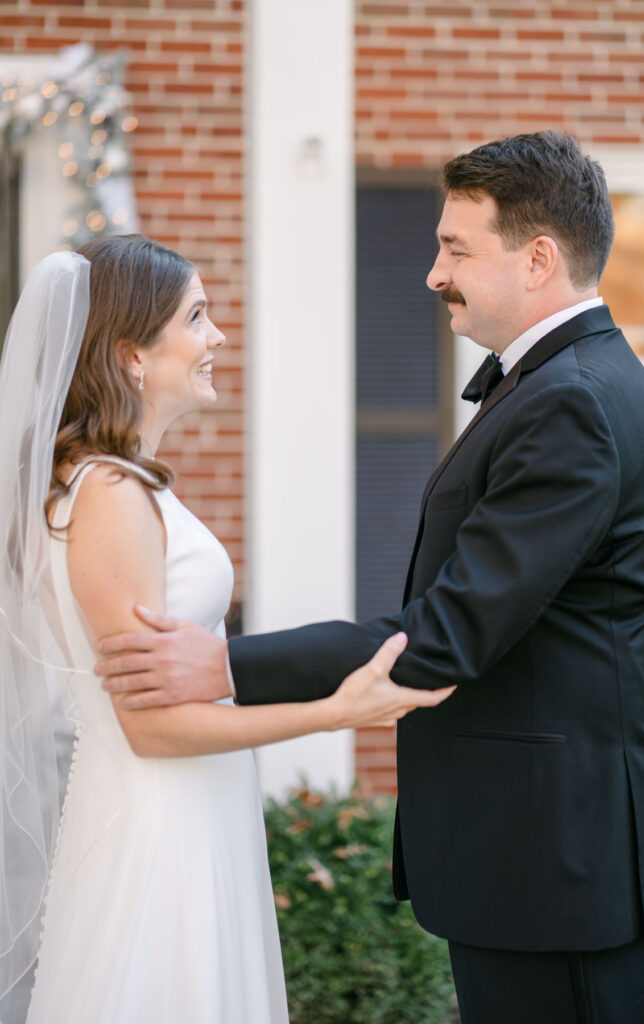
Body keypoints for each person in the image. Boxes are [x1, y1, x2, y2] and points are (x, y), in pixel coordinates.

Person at [98, 132, 644, 1024]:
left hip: (561, 859)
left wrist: (222, 667)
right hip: (545, 852)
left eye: (455, 248)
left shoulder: (573, 401)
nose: (432, 274)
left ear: (537, 259)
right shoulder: (566, 386)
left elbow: (448, 635)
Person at [0, 236, 455, 1024]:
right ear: (131, 355)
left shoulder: (113, 482)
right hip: (155, 827)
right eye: (197, 317)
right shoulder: (109, 493)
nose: (217, 338)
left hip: (186, 808)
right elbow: (152, 728)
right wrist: (339, 710)